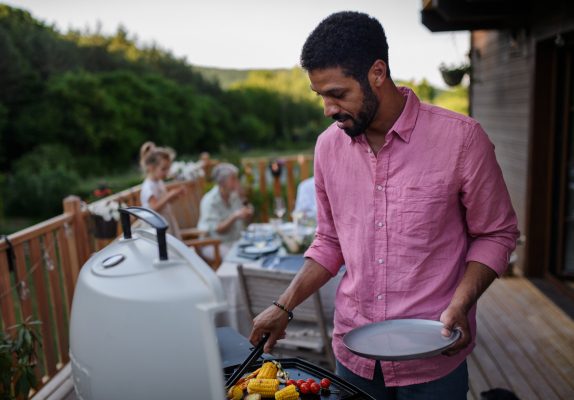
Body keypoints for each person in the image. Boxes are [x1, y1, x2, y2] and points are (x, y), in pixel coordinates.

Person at [249, 11, 519, 400]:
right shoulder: (327, 146)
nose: (327, 109)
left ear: (378, 72)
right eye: (320, 95)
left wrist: (462, 303)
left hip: (433, 353)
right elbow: (329, 241)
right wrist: (283, 306)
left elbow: (496, 233)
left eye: (338, 94)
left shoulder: (462, 139)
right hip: (354, 356)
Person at [197, 163, 253, 259]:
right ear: (222, 182)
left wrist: (242, 197)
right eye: (233, 178)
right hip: (214, 243)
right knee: (235, 257)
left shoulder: (234, 196)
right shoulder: (210, 201)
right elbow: (218, 230)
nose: (237, 181)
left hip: (234, 241)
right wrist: (234, 217)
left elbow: (249, 218)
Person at [139, 142, 187, 239]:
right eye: (163, 169)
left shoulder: (159, 182)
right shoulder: (149, 186)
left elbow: (164, 204)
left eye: (168, 168)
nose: (167, 172)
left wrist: (175, 196)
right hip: (155, 227)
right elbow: (154, 208)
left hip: (163, 221)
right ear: (151, 168)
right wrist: (169, 195)